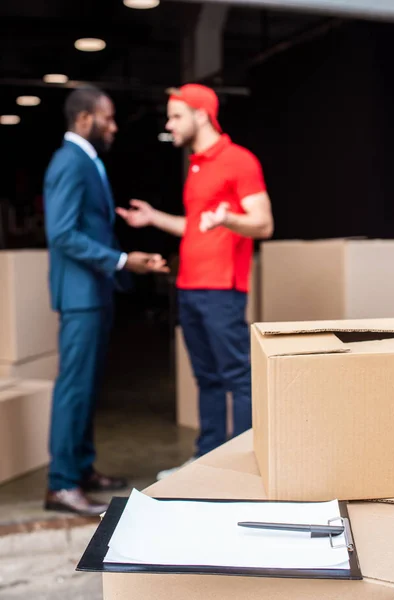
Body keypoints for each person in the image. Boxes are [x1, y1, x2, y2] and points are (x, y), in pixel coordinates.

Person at [116, 84, 274, 479]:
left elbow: (264, 223)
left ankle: (243, 469)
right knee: (205, 378)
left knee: (237, 378)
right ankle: (207, 462)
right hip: (188, 285)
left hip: (222, 288)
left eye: (175, 116)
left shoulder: (239, 161)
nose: (169, 125)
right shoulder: (198, 165)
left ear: (201, 115)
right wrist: (153, 217)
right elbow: (195, 227)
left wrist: (228, 219)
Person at [43, 86, 169, 515]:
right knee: (74, 388)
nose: (114, 127)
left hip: (93, 293)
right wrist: (120, 260)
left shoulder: (86, 160)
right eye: (108, 119)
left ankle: (81, 468)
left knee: (88, 386)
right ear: (83, 120)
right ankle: (61, 484)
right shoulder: (70, 161)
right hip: (80, 295)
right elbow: (61, 234)